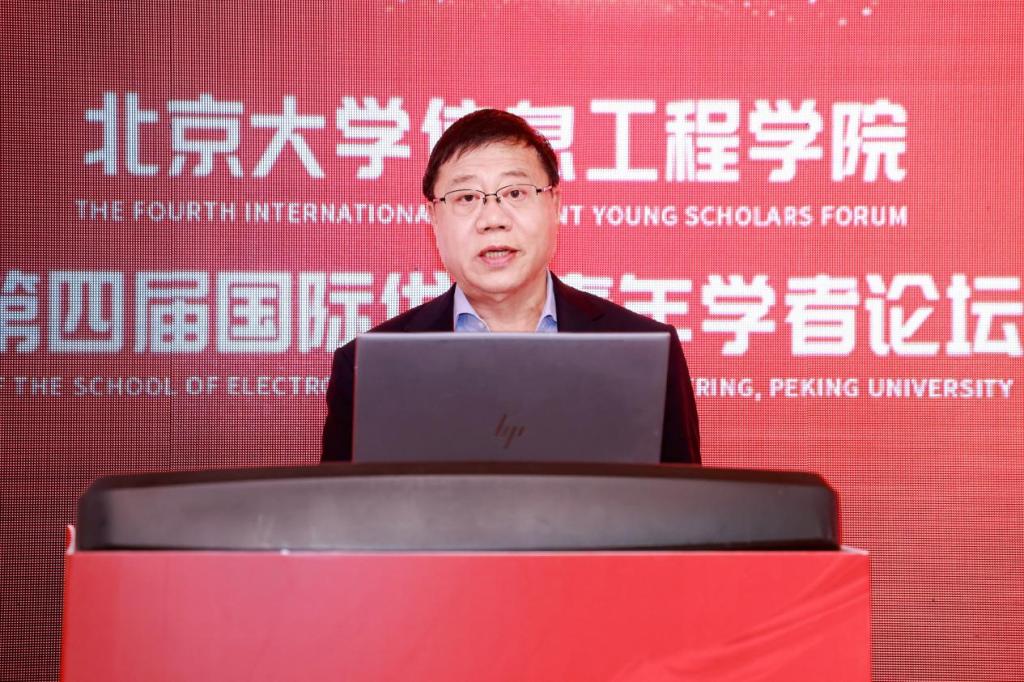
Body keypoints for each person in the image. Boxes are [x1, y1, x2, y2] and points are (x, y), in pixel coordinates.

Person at [322, 109, 700, 463]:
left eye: (515, 193)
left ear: (555, 204)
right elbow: (342, 509)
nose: (493, 219)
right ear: (433, 217)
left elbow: (683, 506)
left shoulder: (647, 357)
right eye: (467, 197)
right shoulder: (368, 370)